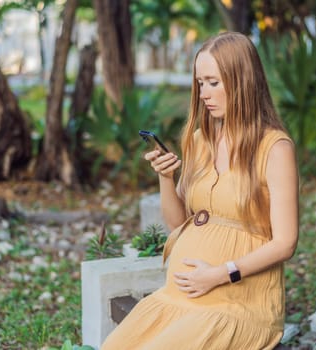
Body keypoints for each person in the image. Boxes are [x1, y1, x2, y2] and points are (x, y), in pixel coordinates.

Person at [101, 31, 299, 350]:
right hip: (178, 299)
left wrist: (222, 274)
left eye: (213, 82)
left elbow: (285, 242)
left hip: (237, 304)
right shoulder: (199, 140)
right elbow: (178, 223)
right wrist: (166, 178)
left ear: (241, 82)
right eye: (200, 83)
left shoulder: (274, 148)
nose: (204, 93)